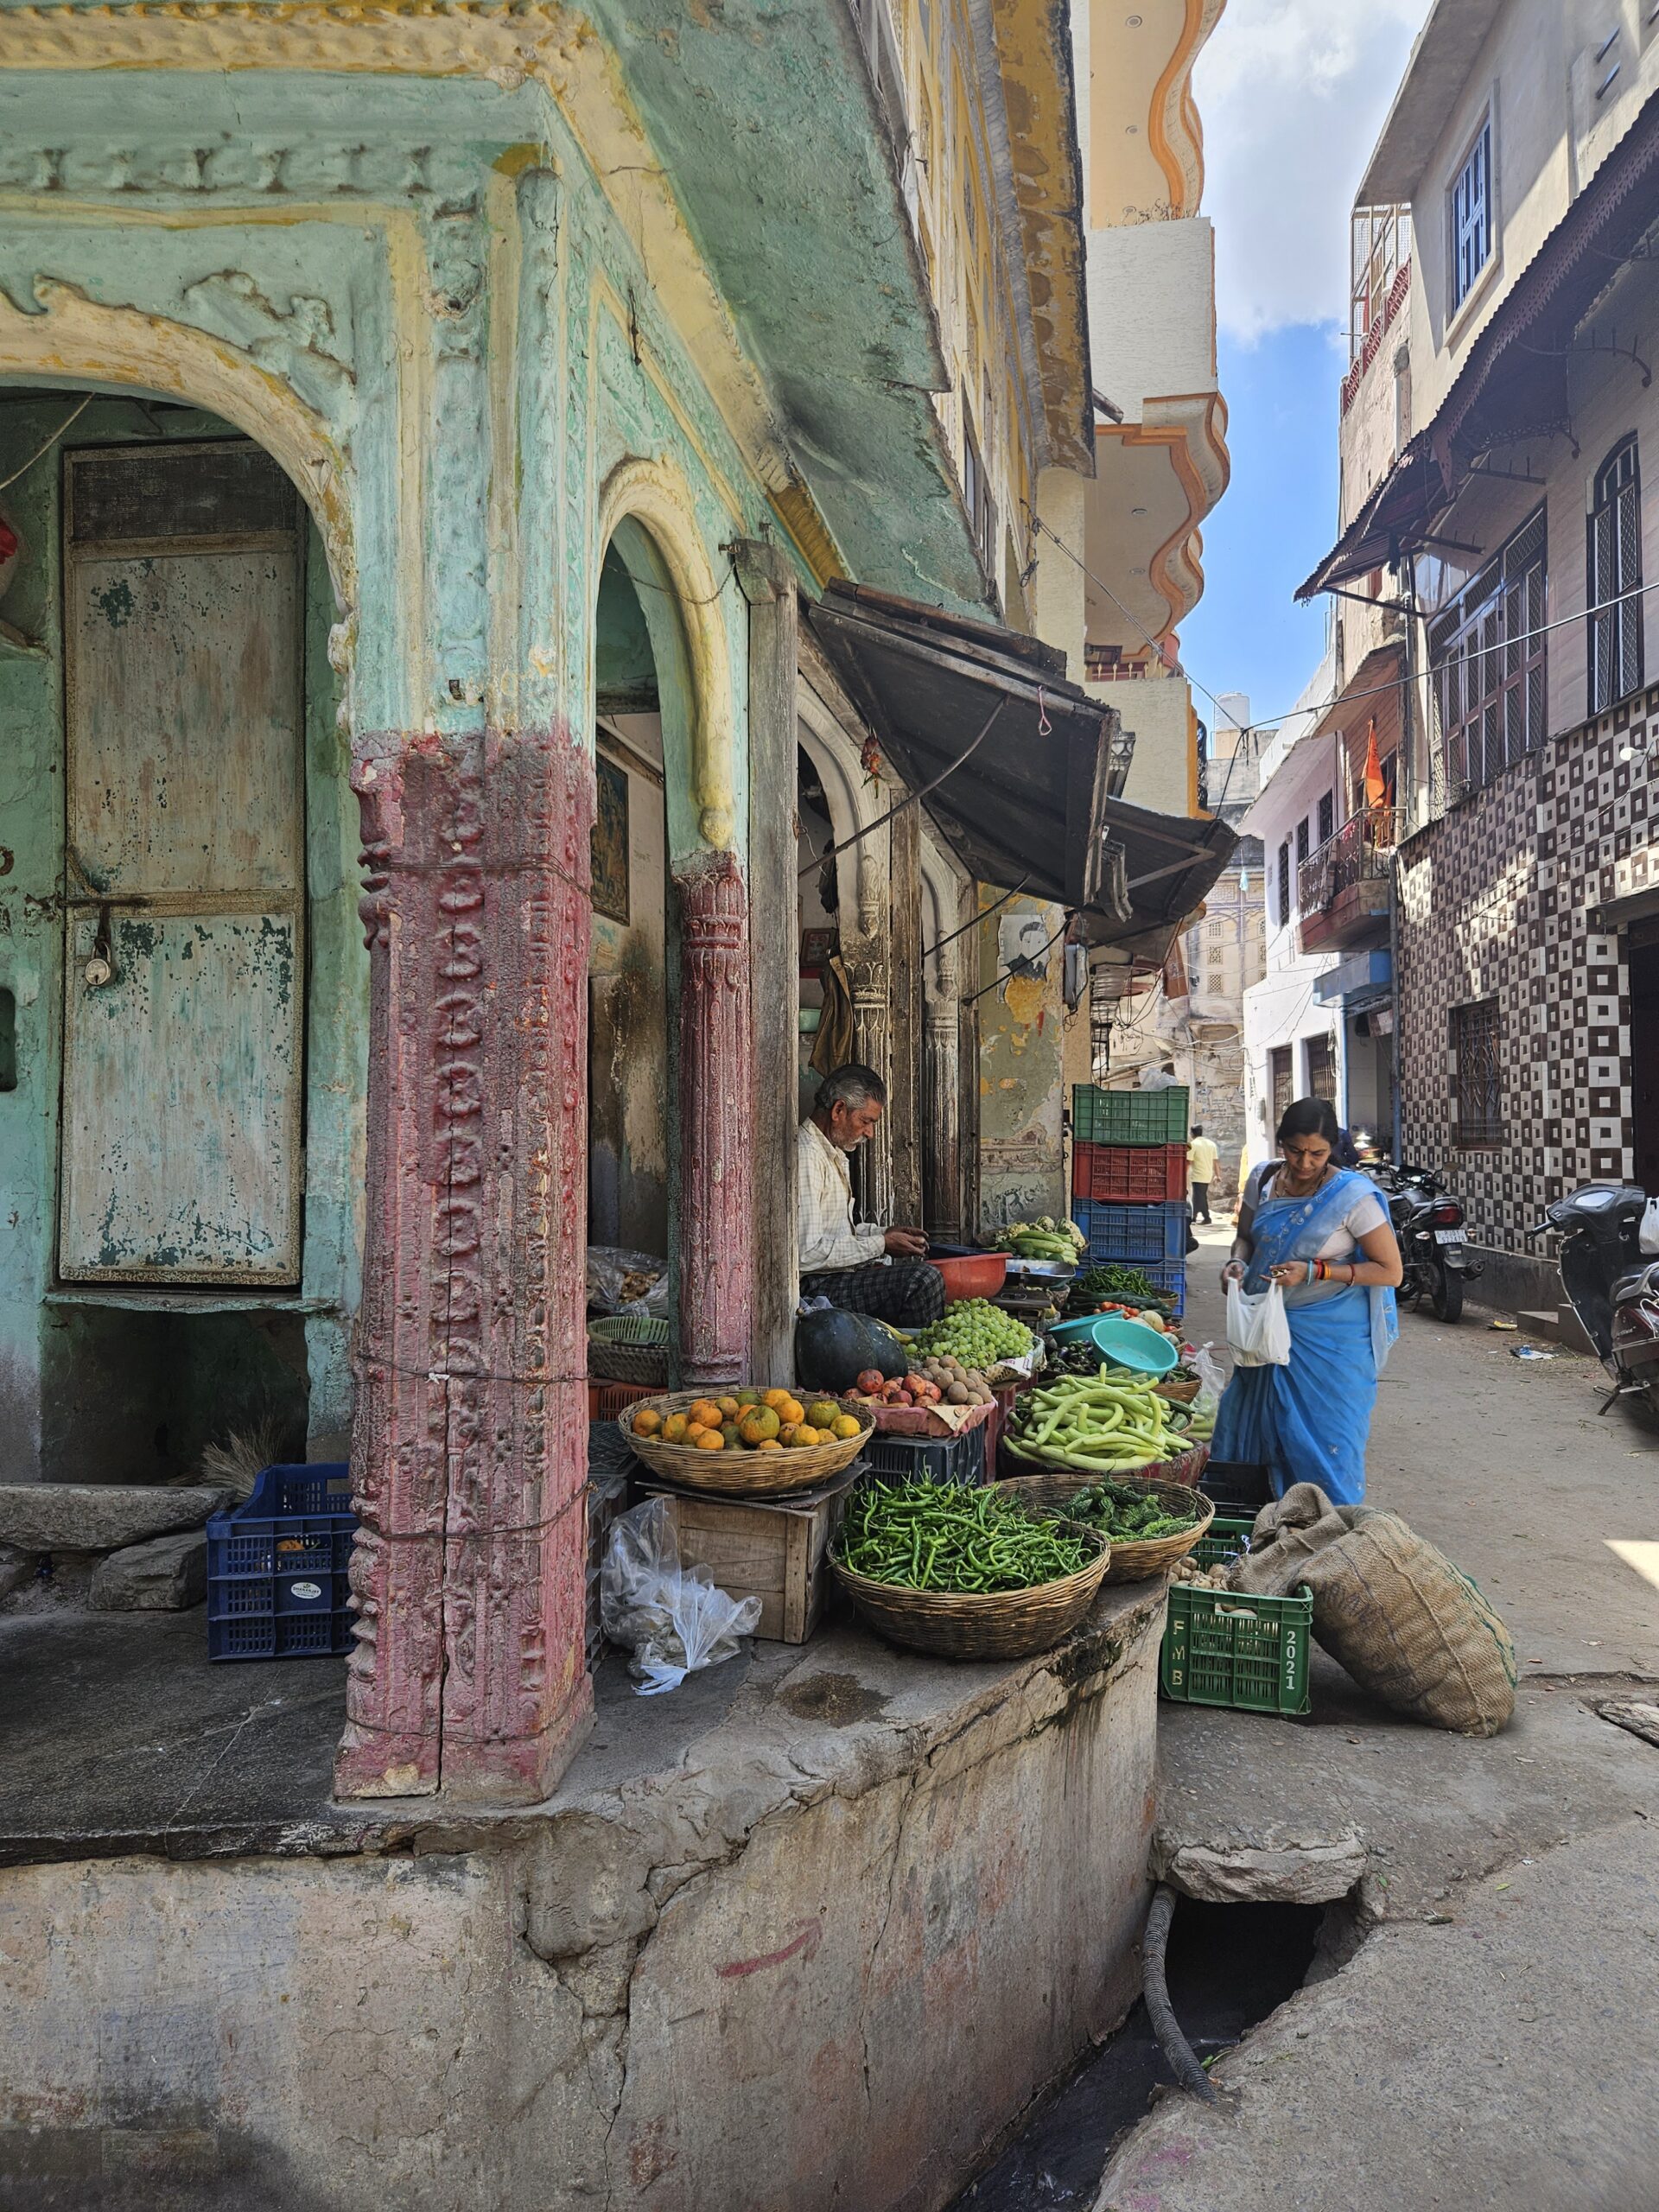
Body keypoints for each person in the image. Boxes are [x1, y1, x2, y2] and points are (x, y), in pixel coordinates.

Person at [1212, 1096, 1402, 1504]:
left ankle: (1329, 1538)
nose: (1304, 1163)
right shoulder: (1262, 1180)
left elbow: (1390, 1270)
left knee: (1327, 1440)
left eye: (1317, 1153)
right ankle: (1261, 1534)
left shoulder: (1353, 1197)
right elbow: (1246, 1239)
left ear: (1332, 1148)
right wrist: (1235, 1264)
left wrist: (1315, 1270)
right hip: (1266, 1331)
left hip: (1332, 1343)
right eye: (1295, 1151)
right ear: (1281, 1143)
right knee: (1253, 1428)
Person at [797, 1065, 945, 1325]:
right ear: (838, 1110)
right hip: (814, 1289)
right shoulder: (807, 1155)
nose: (870, 1133)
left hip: (833, 1278)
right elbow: (806, 1254)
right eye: (865, 1121)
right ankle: (915, 1361)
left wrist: (883, 1234)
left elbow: (837, 1232)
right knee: (923, 1280)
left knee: (918, 1274)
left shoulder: (831, 1152)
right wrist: (881, 1244)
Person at [1187, 1125, 1218, 1224]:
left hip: (1198, 1174)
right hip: (1208, 1174)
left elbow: (1189, 1162)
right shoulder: (1211, 1144)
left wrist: (1184, 1174)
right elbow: (1216, 1161)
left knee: (1199, 1196)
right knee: (1199, 1196)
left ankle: (1205, 1217)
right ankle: (1196, 1216)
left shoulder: (1193, 1145)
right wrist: (1217, 1175)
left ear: (1192, 1134)